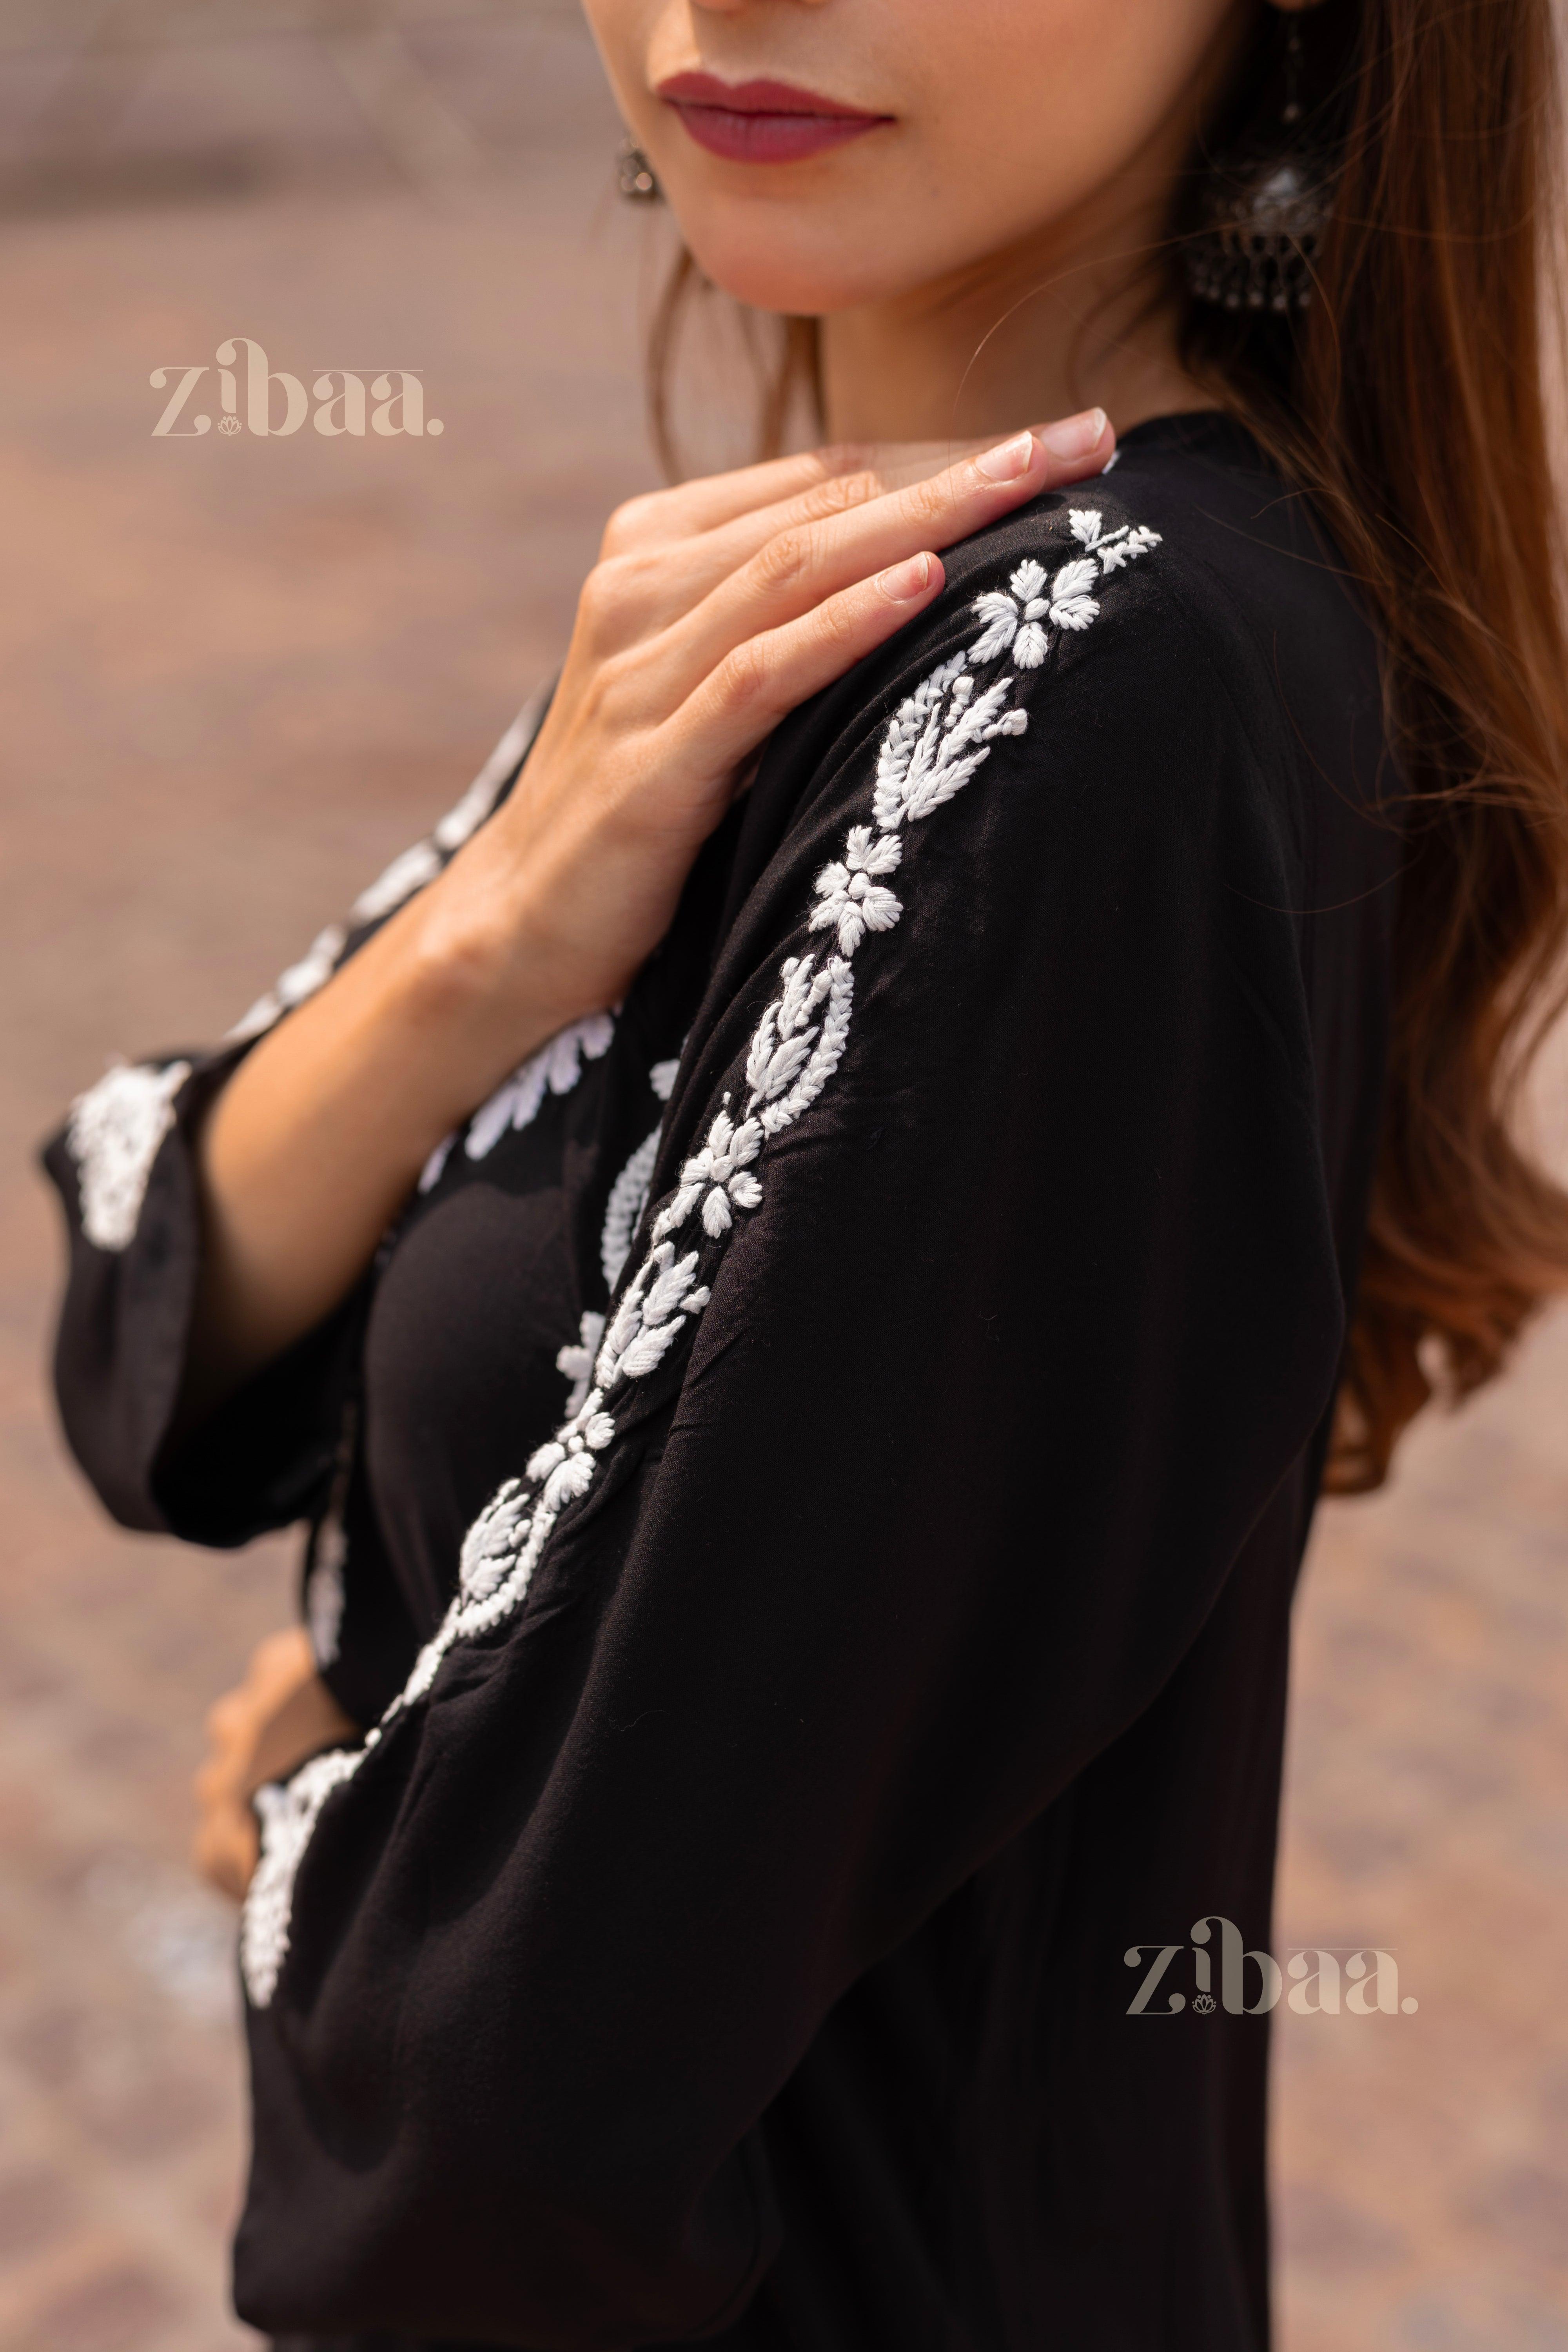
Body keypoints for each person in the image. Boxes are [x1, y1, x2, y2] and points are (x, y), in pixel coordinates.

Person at [42, 0, 1568, 2345]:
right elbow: (153, 1344)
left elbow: (496, 2098)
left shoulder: (1101, 691)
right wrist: (492, 926)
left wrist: (351, 1791)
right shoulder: (803, 584)